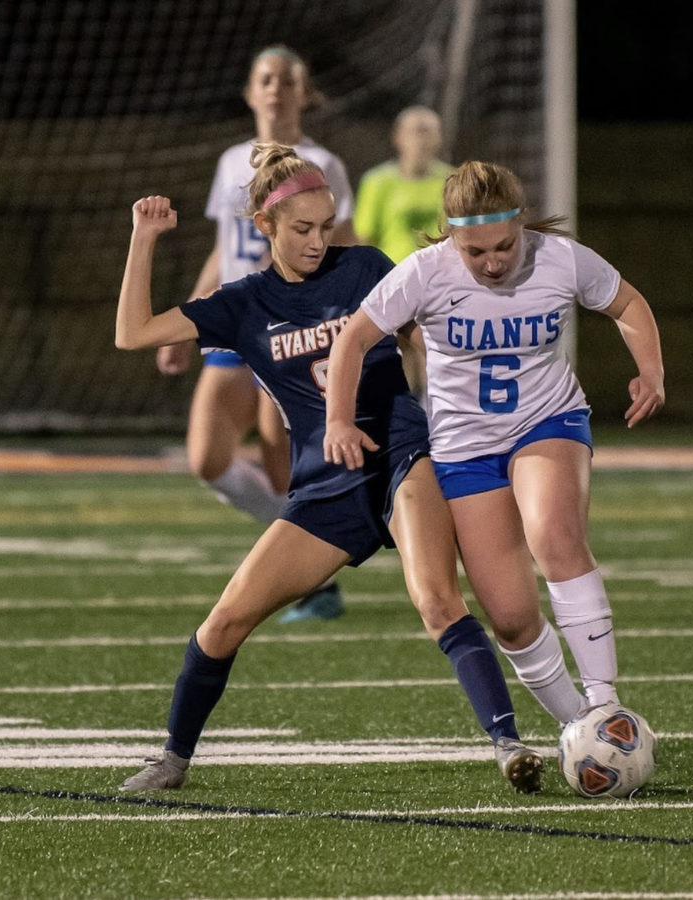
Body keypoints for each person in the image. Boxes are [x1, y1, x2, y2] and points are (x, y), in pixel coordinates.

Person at [113, 144, 544, 794]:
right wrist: (143, 237)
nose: (318, 241)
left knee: (434, 599)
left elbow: (431, 326)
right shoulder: (243, 303)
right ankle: (172, 760)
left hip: (401, 455)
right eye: (301, 229)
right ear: (264, 225)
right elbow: (133, 333)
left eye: (325, 225)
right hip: (324, 486)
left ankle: (507, 743)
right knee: (223, 622)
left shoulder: (365, 266)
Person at [324, 160, 665, 730]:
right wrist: (338, 418)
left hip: (546, 420)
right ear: (451, 235)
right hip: (463, 448)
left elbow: (627, 303)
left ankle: (606, 702)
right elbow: (353, 339)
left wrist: (650, 371)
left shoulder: (561, 258)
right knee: (508, 618)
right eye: (474, 252)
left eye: (504, 246)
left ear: (523, 223)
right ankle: (579, 729)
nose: (492, 262)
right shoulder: (424, 272)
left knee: (553, 535)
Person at [156, 44, 357, 623]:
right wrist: (183, 322)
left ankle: (313, 578)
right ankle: (316, 552)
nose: (275, 89)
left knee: (280, 461)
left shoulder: (322, 163)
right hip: (233, 325)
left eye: (286, 80)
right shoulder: (230, 162)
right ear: (250, 91)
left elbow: (342, 249)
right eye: (265, 79)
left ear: (303, 92)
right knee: (208, 460)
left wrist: (339, 325)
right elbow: (228, 252)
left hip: (289, 330)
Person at [353, 106, 453, 396]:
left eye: (428, 131)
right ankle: (408, 426)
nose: (421, 140)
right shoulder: (377, 182)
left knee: (436, 357)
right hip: (391, 282)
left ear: (439, 139)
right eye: (414, 131)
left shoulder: (451, 180)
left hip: (438, 285)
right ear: (397, 137)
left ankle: (439, 424)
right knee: (397, 359)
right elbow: (365, 239)